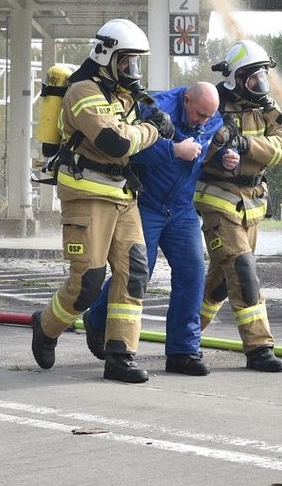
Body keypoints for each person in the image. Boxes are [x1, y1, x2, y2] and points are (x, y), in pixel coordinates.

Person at [30, 18, 174, 383]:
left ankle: (120, 356)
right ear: (107, 55)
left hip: (124, 196)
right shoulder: (83, 91)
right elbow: (117, 142)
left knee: (135, 274)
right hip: (87, 193)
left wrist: (153, 119)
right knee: (88, 283)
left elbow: (130, 132)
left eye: (135, 63)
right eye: (127, 61)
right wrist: (154, 129)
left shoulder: (123, 95)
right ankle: (45, 326)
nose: (132, 69)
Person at [84, 81, 222, 377]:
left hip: (183, 208)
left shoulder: (214, 116)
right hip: (148, 202)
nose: (204, 122)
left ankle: (183, 351)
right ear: (186, 100)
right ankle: (97, 318)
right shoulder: (154, 107)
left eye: (209, 117)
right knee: (138, 271)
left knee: (193, 273)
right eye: (200, 115)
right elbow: (130, 149)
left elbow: (214, 149)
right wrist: (174, 150)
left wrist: (227, 159)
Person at [195, 40, 282, 372]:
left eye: (263, 76)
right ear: (236, 78)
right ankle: (259, 347)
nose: (260, 85)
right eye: (254, 78)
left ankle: (185, 333)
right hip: (217, 201)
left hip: (252, 205)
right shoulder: (214, 105)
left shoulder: (265, 107)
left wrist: (246, 145)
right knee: (242, 272)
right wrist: (220, 150)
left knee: (221, 282)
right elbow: (195, 142)